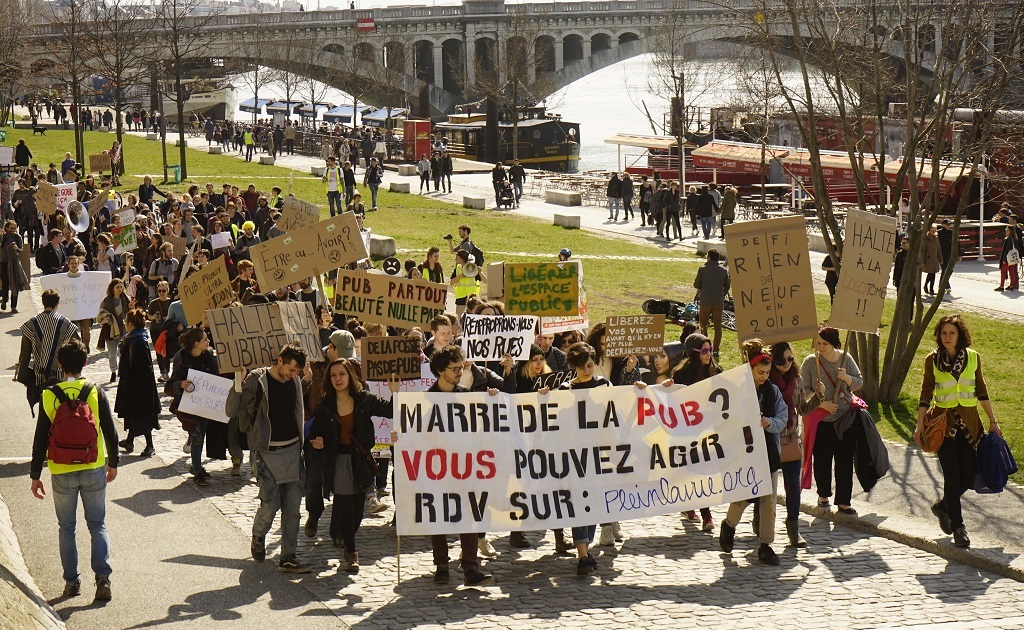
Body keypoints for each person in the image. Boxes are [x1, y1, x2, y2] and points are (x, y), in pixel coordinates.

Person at [29, 339, 119, 601]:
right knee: (97, 524)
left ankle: (72, 582)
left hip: (61, 468)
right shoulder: (95, 391)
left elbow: (40, 439)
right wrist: (113, 462)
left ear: (59, 365)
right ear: (86, 363)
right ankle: (103, 578)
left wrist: (35, 475)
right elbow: (110, 432)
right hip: (93, 465)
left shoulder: (49, 394)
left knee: (66, 527)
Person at [408, 344, 494, 587]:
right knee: (439, 514)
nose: (459, 372)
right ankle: (442, 564)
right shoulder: (426, 399)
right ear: (439, 371)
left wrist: (493, 402)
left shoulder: (467, 395)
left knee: (469, 514)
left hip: (464, 465)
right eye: (454, 368)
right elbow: (415, 433)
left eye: (460, 367)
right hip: (436, 467)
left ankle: (470, 567)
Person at [916, 315, 1002, 548]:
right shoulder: (931, 360)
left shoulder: (973, 358)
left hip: (969, 426)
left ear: (960, 334)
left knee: (968, 475)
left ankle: (943, 505)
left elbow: (981, 390)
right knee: (952, 477)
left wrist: (993, 421)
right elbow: (925, 392)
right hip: (943, 427)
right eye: (943, 333)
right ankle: (958, 527)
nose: (947, 337)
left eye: (951, 333)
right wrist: (920, 423)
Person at [227, 342, 313, 573]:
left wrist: (306, 380)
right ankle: (258, 535)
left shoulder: (295, 380)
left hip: (293, 451)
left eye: (297, 371)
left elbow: (295, 403)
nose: (293, 374)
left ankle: (288, 556)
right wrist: (238, 381)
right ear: (280, 360)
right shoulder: (258, 379)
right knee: (270, 505)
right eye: (291, 369)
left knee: (293, 508)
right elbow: (232, 410)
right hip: (266, 452)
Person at [308, 359, 399, 572]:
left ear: (350, 376)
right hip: (338, 460)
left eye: (342, 374)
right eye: (333, 375)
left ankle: (349, 539)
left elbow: (391, 411)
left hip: (361, 460)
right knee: (346, 507)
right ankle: (351, 550)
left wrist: (394, 392)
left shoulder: (364, 399)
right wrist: (317, 440)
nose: (338, 379)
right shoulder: (326, 405)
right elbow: (315, 432)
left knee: (358, 510)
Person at [719, 339, 787, 565]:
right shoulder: (736, 390)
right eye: (760, 372)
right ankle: (729, 526)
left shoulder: (773, 391)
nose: (764, 376)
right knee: (743, 495)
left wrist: (768, 422)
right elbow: (724, 419)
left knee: (768, 502)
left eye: (767, 372)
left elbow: (783, 417)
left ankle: (766, 545)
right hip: (743, 453)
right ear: (749, 369)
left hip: (768, 453)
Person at [799, 326, 863, 515]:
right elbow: (803, 389)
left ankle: (844, 501)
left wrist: (847, 378)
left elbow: (859, 382)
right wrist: (822, 403)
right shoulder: (811, 362)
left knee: (844, 460)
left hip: (844, 418)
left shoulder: (845, 358)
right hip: (821, 419)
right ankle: (823, 495)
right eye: (817, 343)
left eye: (824, 343)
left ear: (834, 343)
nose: (820, 347)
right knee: (822, 458)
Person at [671, 332, 720, 531]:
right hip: (687, 431)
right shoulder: (681, 373)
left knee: (704, 472)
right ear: (694, 353)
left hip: (708, 430)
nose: (709, 354)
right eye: (705, 350)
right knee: (689, 471)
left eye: (711, 350)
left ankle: (706, 513)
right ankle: (688, 506)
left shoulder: (715, 371)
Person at [769, 342, 813, 548]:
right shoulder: (766, 380)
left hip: (790, 438)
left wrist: (818, 397)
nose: (786, 364)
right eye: (781, 361)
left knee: (793, 486)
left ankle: (793, 530)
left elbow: (802, 409)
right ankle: (761, 522)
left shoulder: (797, 380)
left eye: (790, 359)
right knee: (765, 487)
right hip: (769, 439)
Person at [115, 309, 161, 456]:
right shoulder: (132, 337)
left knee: (142, 414)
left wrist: (138, 383)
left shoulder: (139, 340)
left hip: (140, 385)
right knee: (131, 413)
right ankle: (130, 441)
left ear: (130, 324)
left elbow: (144, 366)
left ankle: (150, 446)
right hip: (132, 382)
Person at [693, 248, 730, 357]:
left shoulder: (702, 269)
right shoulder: (723, 270)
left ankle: (705, 347)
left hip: (705, 301)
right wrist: (722, 294)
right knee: (717, 326)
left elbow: (696, 285)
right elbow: (727, 286)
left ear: (708, 257)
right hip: (718, 301)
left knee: (703, 324)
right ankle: (716, 350)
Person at [97, 278, 130, 384]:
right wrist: (106, 317)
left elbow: (130, 313)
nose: (120, 289)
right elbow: (100, 313)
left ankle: (122, 371)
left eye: (121, 287)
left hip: (123, 329)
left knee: (123, 352)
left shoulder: (126, 299)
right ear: (112, 288)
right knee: (112, 353)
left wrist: (132, 307)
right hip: (110, 330)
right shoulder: (106, 301)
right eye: (117, 287)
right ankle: (113, 372)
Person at [1, 219, 25, 312]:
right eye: (11, 228)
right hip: (4, 261)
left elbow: (21, 250)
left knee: (15, 283)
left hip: (14, 261)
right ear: (7, 228)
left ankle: (13, 306)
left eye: (14, 228)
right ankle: (4, 300)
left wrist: (17, 248)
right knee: (5, 282)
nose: (13, 230)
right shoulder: (4, 236)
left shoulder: (17, 237)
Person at [995, 222, 1022, 292]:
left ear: (1010, 231)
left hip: (1007, 258)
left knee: (1003, 271)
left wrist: (1004, 259)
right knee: (1011, 271)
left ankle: (1001, 286)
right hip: (1013, 258)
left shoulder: (1009, 239)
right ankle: (1011, 285)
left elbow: (1006, 250)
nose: (1006, 231)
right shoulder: (1015, 238)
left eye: (1007, 230)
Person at [937, 219, 959, 294]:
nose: (949, 226)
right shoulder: (939, 233)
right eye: (947, 224)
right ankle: (947, 286)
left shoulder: (952, 233)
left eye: (950, 224)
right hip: (942, 255)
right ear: (943, 225)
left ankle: (941, 285)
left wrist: (959, 254)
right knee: (945, 270)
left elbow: (957, 243)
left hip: (950, 255)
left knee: (949, 270)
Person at [922, 224, 943, 296]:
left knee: (933, 274)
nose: (934, 232)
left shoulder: (936, 238)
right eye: (932, 231)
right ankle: (926, 285)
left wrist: (941, 259)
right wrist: (923, 260)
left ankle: (931, 289)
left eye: (935, 230)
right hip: (928, 259)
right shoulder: (926, 239)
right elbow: (923, 250)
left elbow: (939, 249)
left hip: (935, 259)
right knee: (930, 273)